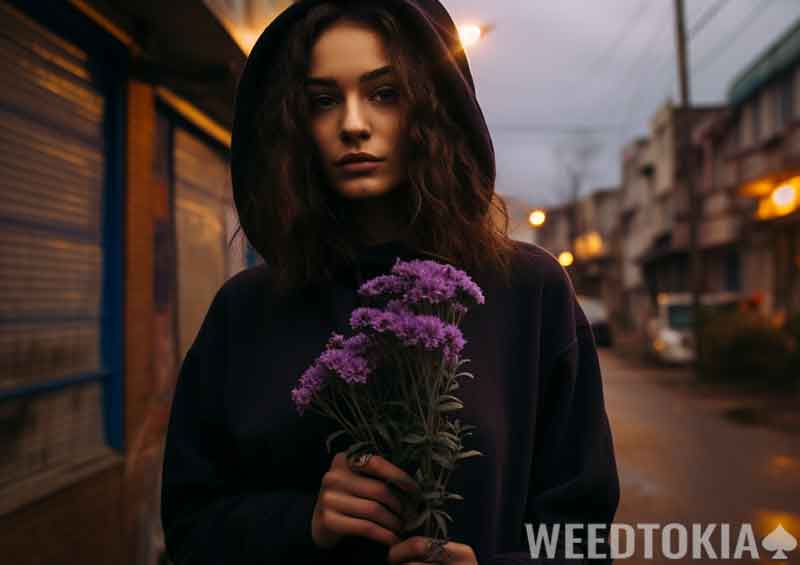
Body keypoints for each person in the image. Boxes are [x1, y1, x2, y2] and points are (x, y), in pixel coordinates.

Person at [160, 1, 620, 564]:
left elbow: (584, 531)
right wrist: (301, 521)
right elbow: (189, 528)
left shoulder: (529, 290)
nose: (353, 123)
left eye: (384, 93)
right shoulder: (246, 309)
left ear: (434, 109)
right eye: (323, 101)